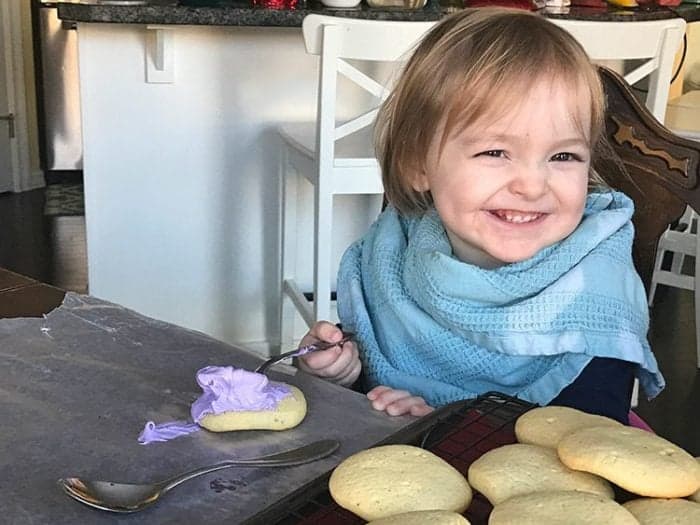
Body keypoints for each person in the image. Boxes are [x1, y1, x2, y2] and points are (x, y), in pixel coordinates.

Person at [295, 7, 664, 424]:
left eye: (563, 155)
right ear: (419, 164)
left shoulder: (596, 297)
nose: (532, 185)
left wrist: (440, 426)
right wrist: (345, 371)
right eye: (495, 152)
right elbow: (377, 373)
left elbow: (582, 444)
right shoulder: (395, 253)